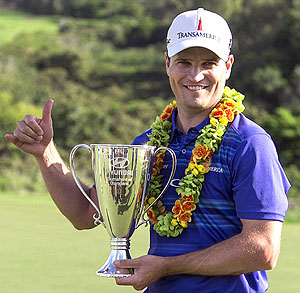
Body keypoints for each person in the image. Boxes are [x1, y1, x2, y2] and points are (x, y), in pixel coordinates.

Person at [5, 7, 290, 293]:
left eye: (208, 63)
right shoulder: (148, 145)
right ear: (167, 64)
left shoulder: (250, 143)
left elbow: (263, 249)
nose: (196, 74)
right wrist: (45, 153)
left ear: (227, 66)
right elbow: (84, 214)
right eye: (184, 62)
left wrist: (166, 265)